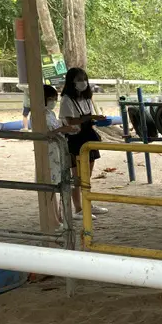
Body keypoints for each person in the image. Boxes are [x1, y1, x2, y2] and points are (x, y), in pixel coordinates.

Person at [59, 68, 108, 220]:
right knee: (77, 176)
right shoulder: (67, 99)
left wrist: (95, 119)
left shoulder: (87, 98)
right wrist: (91, 117)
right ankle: (78, 208)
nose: (83, 82)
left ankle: (88, 202)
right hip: (75, 139)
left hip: (88, 136)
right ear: (71, 81)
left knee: (87, 175)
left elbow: (87, 118)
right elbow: (71, 121)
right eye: (79, 79)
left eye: (84, 79)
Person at [36, 84, 77, 228]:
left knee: (57, 185)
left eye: (54, 99)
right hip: (48, 154)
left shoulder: (50, 114)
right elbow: (46, 134)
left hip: (57, 154)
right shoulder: (38, 116)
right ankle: (51, 220)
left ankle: (58, 217)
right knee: (49, 187)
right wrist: (62, 128)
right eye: (51, 99)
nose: (53, 102)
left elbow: (57, 128)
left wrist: (67, 129)